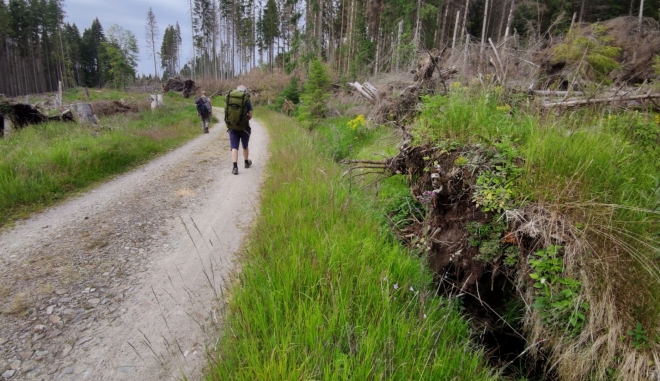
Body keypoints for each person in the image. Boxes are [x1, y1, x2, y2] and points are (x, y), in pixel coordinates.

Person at [227, 85, 253, 175]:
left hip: (232, 127)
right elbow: (250, 115)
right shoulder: (247, 100)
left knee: (234, 147)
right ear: (245, 92)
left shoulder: (230, 98)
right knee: (245, 146)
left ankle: (235, 167)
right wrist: (244, 121)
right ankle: (246, 162)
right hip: (244, 127)